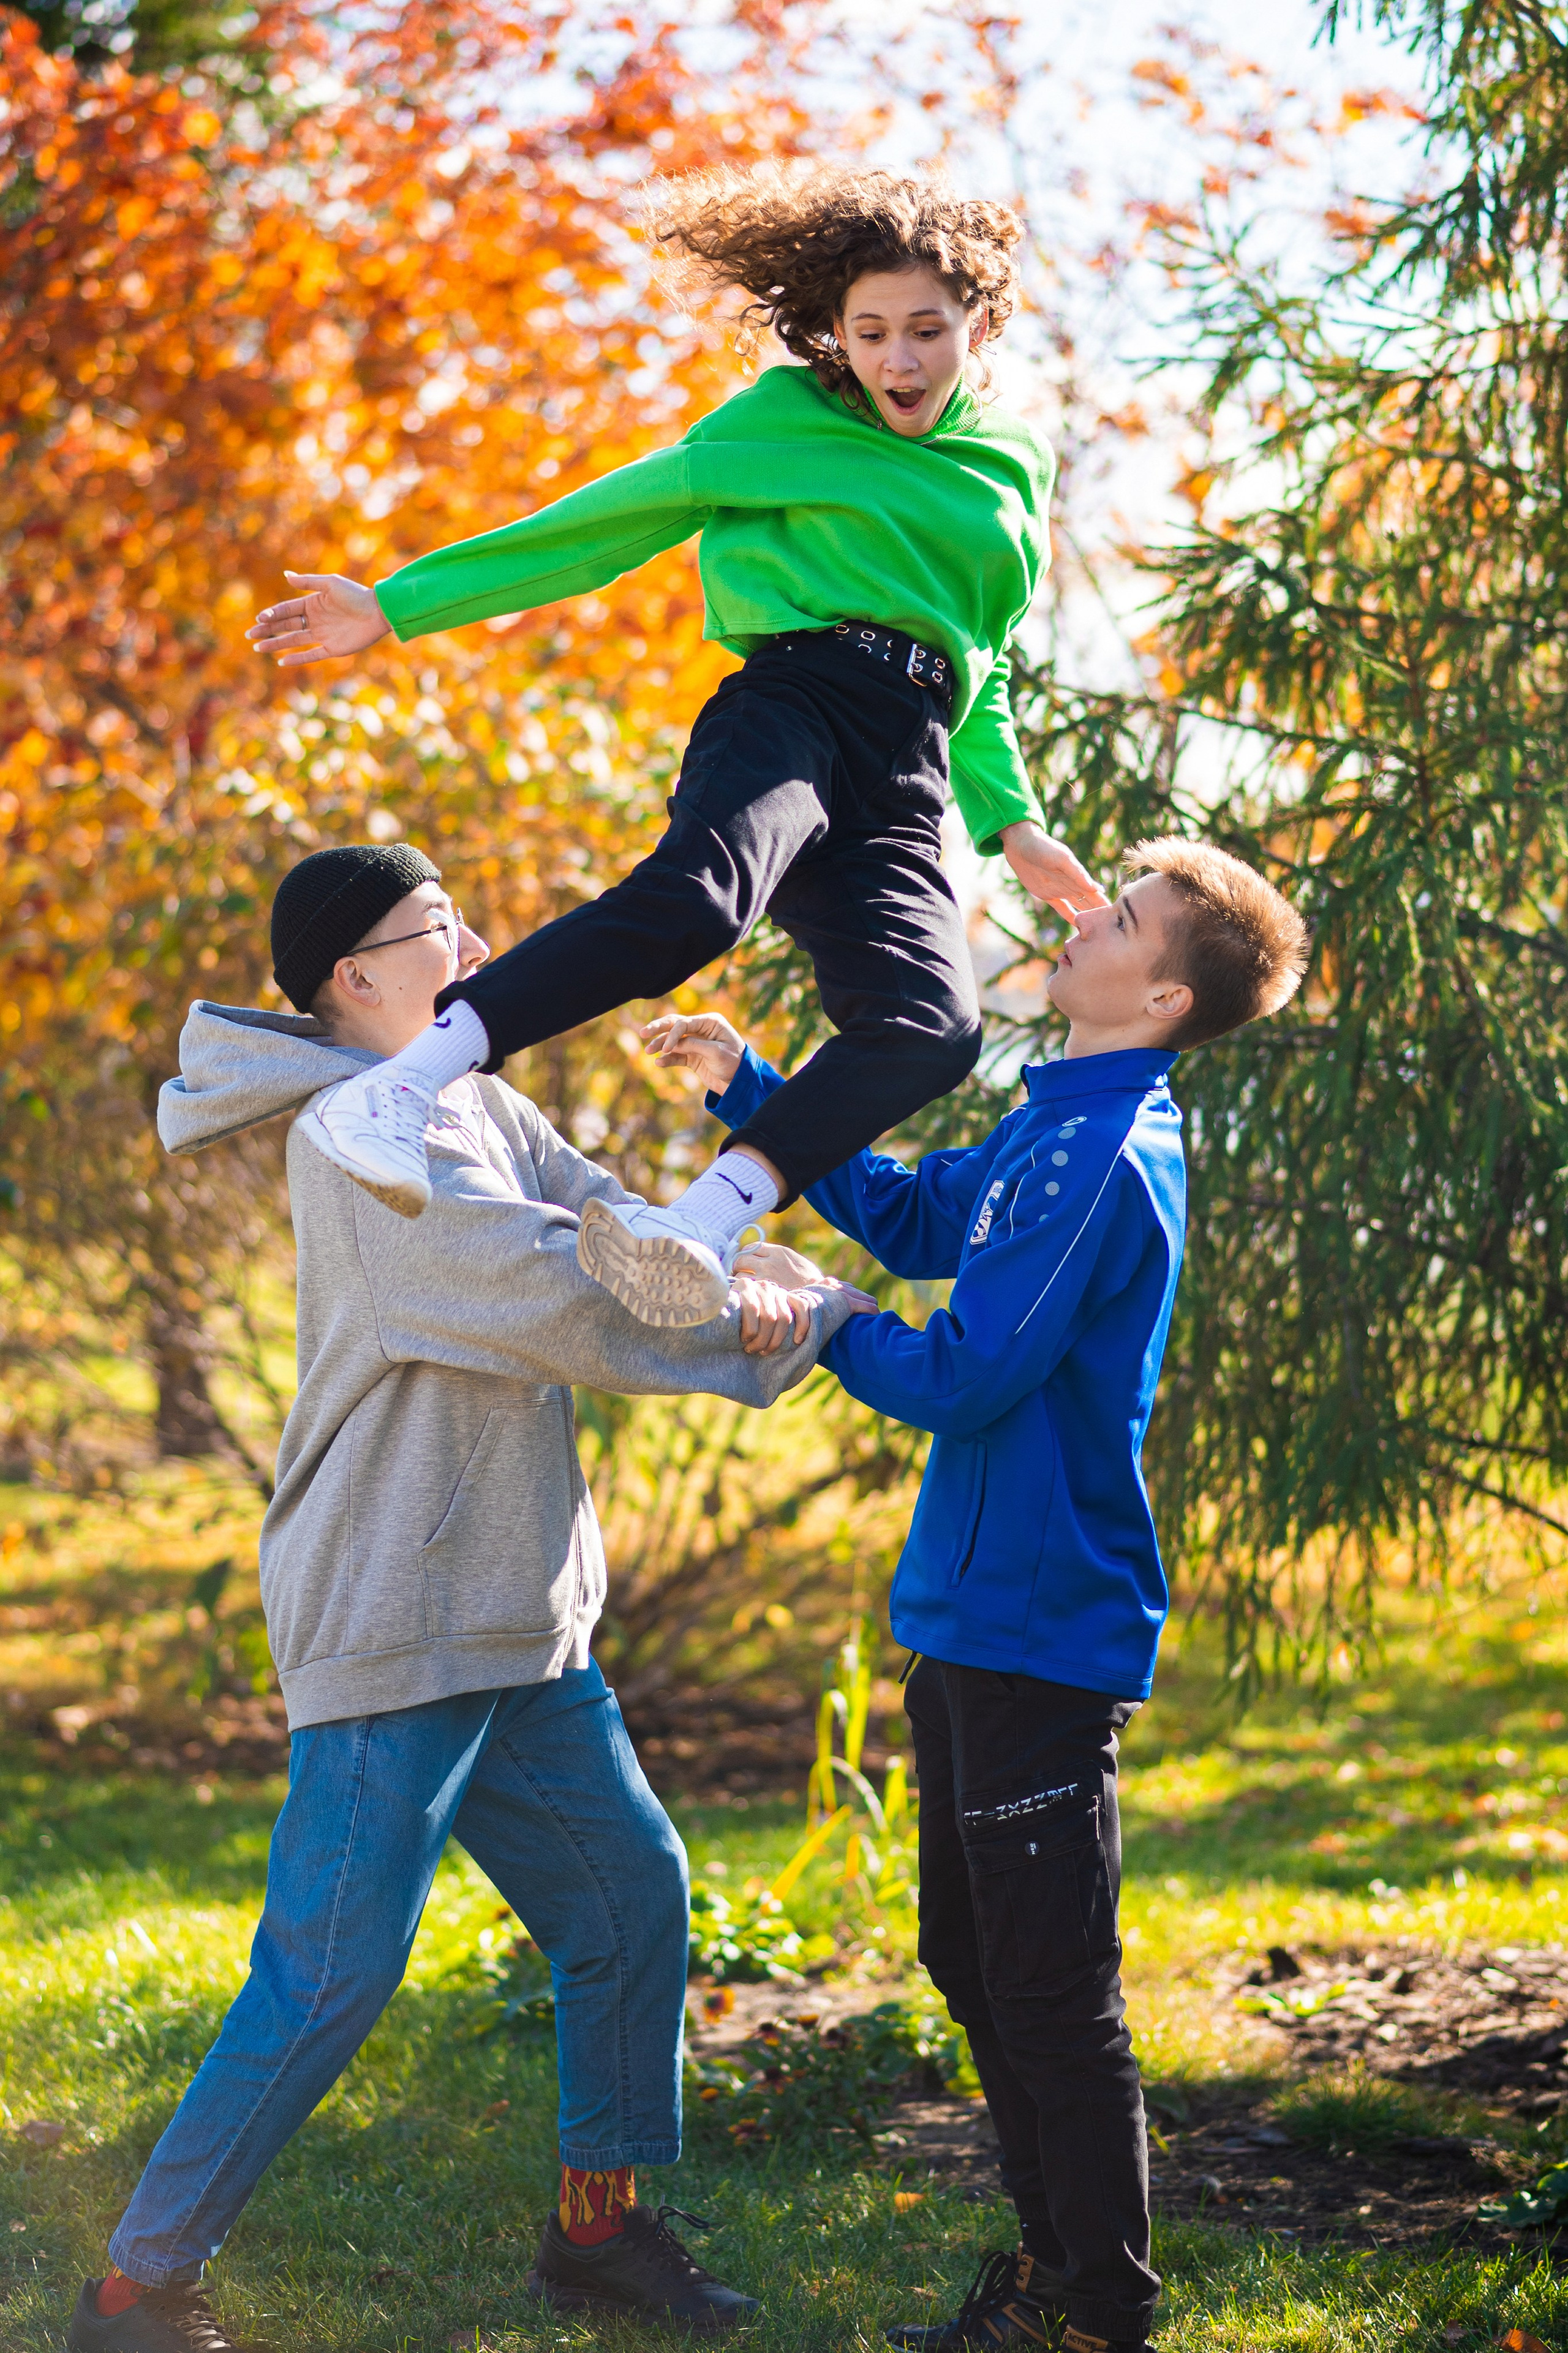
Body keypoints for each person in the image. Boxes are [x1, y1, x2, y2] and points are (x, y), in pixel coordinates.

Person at [68, 843, 871, 2353]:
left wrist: (773, 1277)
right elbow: (551, 1292)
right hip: (394, 1614)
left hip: (519, 1616)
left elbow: (626, 1233)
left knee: (628, 1900)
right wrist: (774, 1332)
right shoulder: (351, 1141)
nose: (482, 943)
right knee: (326, 1977)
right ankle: (133, 2290)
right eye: (442, 930)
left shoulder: (483, 1099)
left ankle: (598, 2234)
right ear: (353, 977)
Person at [646, 837, 1310, 2353]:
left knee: (1049, 1989)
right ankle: (1049, 2271)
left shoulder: (1108, 1151)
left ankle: (1099, 2314)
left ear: (1153, 993)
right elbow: (916, 1218)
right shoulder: (1050, 1122)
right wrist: (755, 1087)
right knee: (972, 1961)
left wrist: (819, 1319)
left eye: (1117, 916)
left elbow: (970, 1372)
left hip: (1036, 1627)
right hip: (961, 1613)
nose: (1080, 918)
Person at [243, 162, 1106, 1327]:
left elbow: (981, 658)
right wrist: (400, 603)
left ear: (980, 325)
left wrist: (1015, 825)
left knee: (931, 1024)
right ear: (836, 334)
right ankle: (407, 1083)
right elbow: (614, 522)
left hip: (908, 762)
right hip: (796, 704)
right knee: (697, 907)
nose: (898, 362)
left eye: (926, 332)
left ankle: (697, 1223)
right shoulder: (785, 417)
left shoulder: (1014, 462)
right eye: (870, 333)